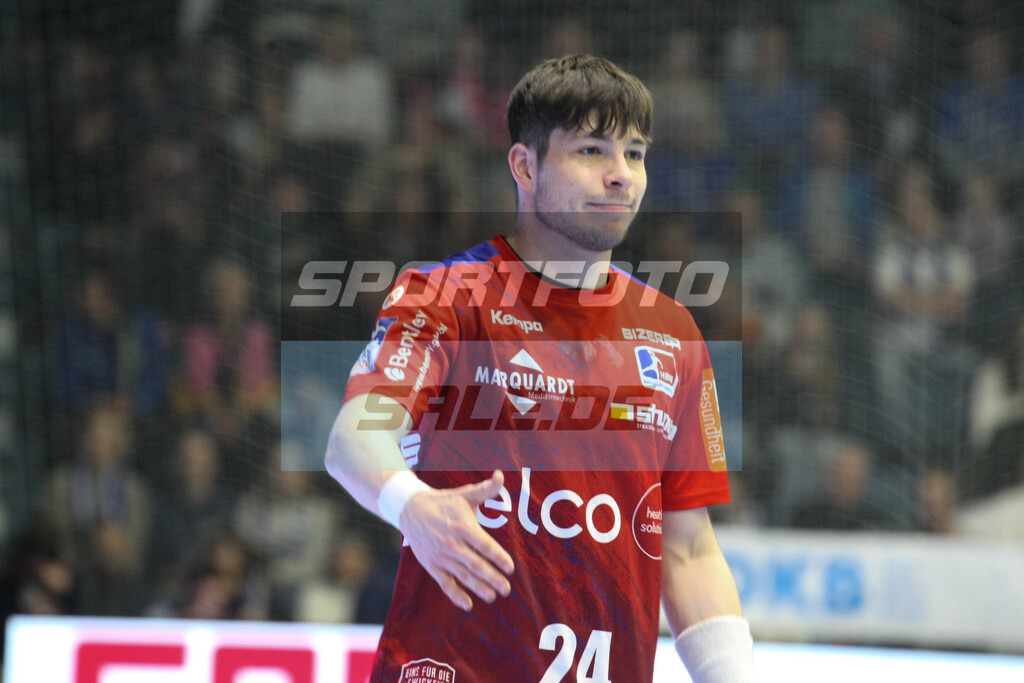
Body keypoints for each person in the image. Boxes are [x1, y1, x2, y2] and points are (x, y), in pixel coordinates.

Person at [325, 55, 755, 682]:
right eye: (591, 150)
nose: (621, 175)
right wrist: (412, 504)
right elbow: (352, 439)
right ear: (525, 167)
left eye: (635, 154)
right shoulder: (446, 296)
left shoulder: (673, 332)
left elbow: (689, 550)